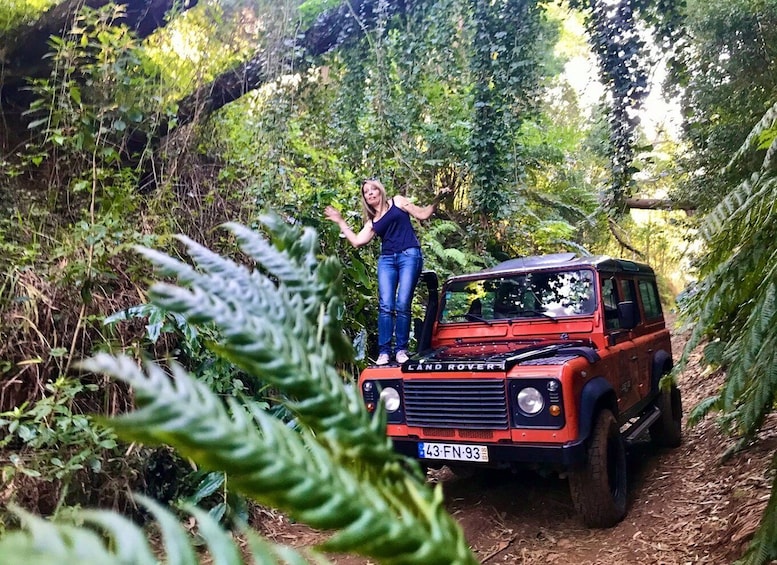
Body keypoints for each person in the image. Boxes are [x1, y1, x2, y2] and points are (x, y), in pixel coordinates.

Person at [325, 179, 450, 365]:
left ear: (380, 191)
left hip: (409, 255)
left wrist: (436, 200)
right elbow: (357, 241)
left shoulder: (398, 202)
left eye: (373, 189)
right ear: (365, 199)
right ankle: (384, 352)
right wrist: (340, 221)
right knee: (385, 305)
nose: (370, 193)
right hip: (387, 260)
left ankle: (401, 350)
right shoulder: (373, 222)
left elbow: (422, 214)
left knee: (402, 303)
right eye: (366, 192)